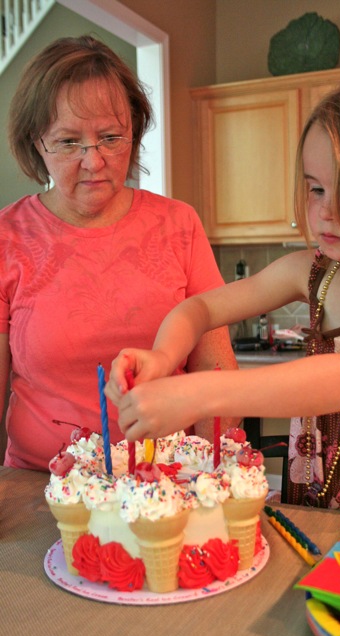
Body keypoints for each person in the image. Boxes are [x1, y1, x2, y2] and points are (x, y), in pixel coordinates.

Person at [106, 73, 340, 516]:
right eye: (316, 188)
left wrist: (200, 395)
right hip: (316, 513)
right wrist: (163, 358)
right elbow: (199, 308)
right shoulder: (311, 273)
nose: (325, 210)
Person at [0, 35, 238, 471]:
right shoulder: (7, 238)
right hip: (40, 488)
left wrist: (215, 478)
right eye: (69, 142)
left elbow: (216, 375)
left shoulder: (179, 225)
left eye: (111, 138)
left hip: (166, 483)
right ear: (37, 142)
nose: (94, 162)